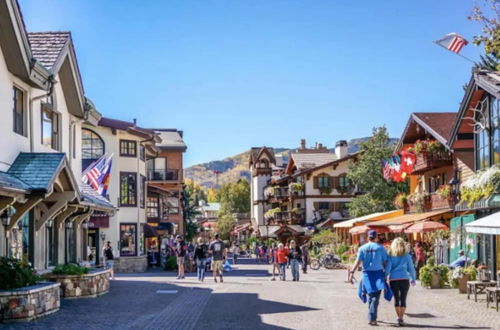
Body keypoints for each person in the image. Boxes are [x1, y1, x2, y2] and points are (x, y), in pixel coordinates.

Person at [350, 230, 389, 326]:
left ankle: (372, 315)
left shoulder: (362, 248)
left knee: (371, 295)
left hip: (367, 274)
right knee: (375, 296)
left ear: (368, 238)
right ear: (376, 238)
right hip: (378, 273)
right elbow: (385, 262)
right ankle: (372, 318)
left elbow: (357, 261)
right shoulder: (381, 248)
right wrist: (386, 273)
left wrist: (352, 272)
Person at [385, 237, 416, 327]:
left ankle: (398, 317)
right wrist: (413, 278)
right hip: (404, 279)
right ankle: (401, 317)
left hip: (393, 280)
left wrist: (385, 276)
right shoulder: (407, 256)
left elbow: (388, 268)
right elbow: (411, 268)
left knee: (396, 299)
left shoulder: (391, 255)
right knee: (403, 299)